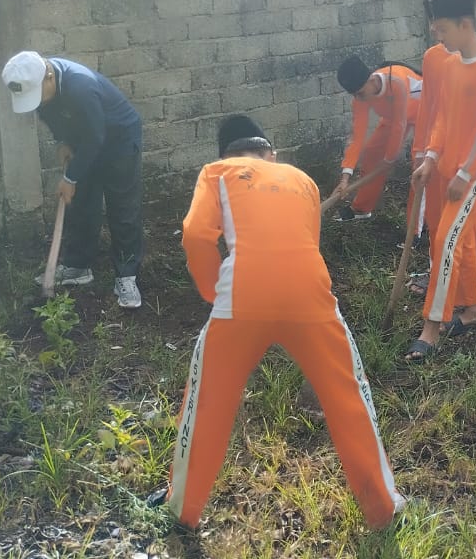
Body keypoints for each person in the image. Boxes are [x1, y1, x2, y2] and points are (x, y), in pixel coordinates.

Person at [164, 114, 405, 531]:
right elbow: (305, 244)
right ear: (270, 153)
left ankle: (182, 511)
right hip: (310, 300)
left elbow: (195, 234)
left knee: (208, 403)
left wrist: (211, 290)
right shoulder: (302, 180)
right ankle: (383, 508)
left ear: (227, 154)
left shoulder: (216, 172)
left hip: (240, 303)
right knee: (349, 397)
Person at [2, 51, 144, 309]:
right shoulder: (44, 86)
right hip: (87, 140)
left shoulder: (81, 85)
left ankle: (127, 275)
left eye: (36, 96)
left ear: (48, 77)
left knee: (122, 210)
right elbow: (51, 114)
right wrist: (62, 140)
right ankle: (78, 266)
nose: (35, 104)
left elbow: (96, 136)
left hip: (118, 141)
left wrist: (70, 177)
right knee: (82, 205)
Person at [408, 0, 476, 363]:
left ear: (465, 26)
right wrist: (431, 158)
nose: (440, 37)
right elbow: (443, 119)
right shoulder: (450, 65)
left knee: (445, 241)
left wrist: (465, 174)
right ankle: (472, 310)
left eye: (444, 29)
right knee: (454, 241)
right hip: (447, 167)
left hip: (473, 176)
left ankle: (431, 327)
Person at [333, 55, 422, 222]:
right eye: (355, 95)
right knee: (371, 153)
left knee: (420, 166)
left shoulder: (396, 82)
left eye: (360, 93)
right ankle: (361, 209)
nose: (359, 99)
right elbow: (356, 137)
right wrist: (345, 176)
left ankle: (418, 226)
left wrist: (389, 158)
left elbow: (399, 126)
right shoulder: (360, 98)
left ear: (372, 80)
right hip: (395, 118)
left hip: (426, 114)